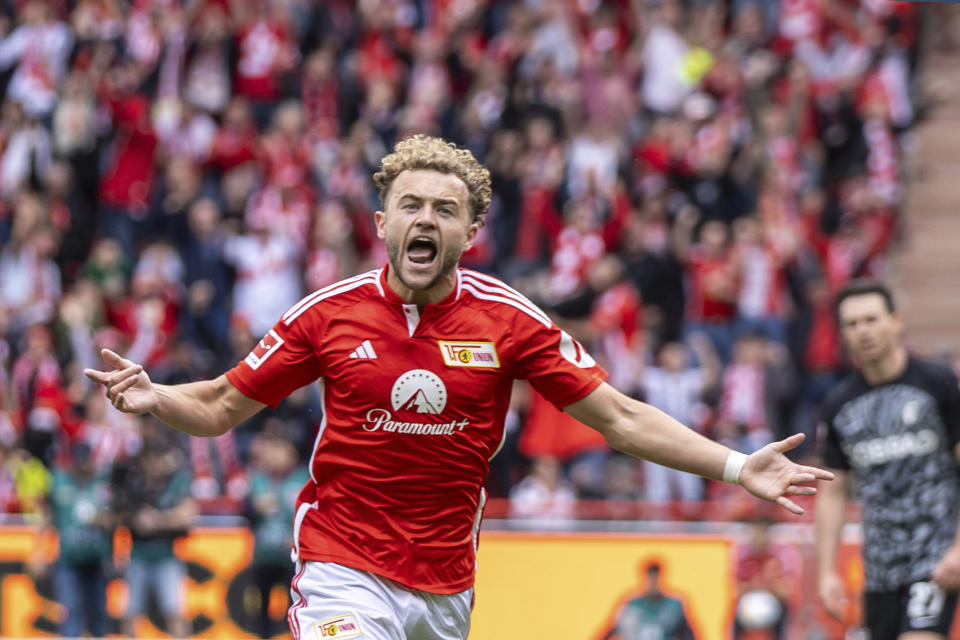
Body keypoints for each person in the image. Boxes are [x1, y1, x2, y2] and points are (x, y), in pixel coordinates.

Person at [85, 135, 833, 640]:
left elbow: (619, 416)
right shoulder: (329, 313)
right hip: (340, 565)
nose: (426, 219)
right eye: (411, 205)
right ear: (381, 222)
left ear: (469, 232)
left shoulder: (508, 319)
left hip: (446, 586)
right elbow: (220, 405)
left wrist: (738, 466)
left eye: (445, 210)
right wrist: (158, 398)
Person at [815, 279, 960, 640]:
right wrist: (826, 572)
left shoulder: (938, 384)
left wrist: (959, 547)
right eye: (852, 324)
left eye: (871, 319)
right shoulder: (838, 405)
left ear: (896, 321)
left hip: (935, 560)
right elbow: (833, 492)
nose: (863, 331)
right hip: (879, 570)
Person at [112, 436, 195, 638]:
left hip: (166, 554)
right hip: (138, 554)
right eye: (152, 459)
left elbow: (187, 516)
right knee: (130, 612)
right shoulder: (134, 484)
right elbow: (117, 513)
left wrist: (157, 520)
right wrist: (134, 519)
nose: (155, 464)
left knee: (175, 611)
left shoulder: (176, 481)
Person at [600, 560, 696, 640]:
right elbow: (610, 630)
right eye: (650, 579)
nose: (653, 584)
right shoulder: (632, 604)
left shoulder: (673, 605)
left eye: (656, 579)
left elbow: (688, 634)